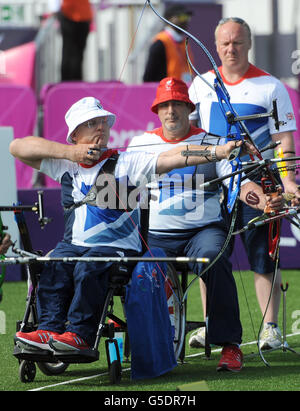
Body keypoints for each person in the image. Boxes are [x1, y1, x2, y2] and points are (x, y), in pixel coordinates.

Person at [10, 96, 241, 355]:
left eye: (103, 122)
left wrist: (218, 151)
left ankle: (79, 335)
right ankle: (49, 330)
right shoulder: (65, 164)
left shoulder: (128, 162)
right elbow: (17, 147)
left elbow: (175, 156)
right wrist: (70, 153)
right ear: (75, 134)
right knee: (54, 265)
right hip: (73, 245)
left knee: (90, 268)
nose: (100, 127)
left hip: (116, 249)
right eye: (91, 123)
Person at [127, 77, 284, 372]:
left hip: (203, 231)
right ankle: (144, 341)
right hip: (155, 236)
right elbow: (123, 187)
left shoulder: (214, 143)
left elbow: (240, 184)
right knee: (137, 267)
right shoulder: (140, 143)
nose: (171, 111)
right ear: (157, 111)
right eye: (164, 105)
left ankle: (229, 345)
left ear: (190, 108)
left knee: (212, 257)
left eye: (177, 104)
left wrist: (264, 201)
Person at [188, 17, 300, 351]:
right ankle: (211, 326)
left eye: (237, 42)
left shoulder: (270, 86)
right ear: (216, 46)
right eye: (224, 43)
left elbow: (283, 138)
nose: (230, 49)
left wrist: (289, 180)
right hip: (213, 183)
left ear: (248, 44)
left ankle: (270, 329)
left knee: (264, 257)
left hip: (260, 182)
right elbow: (190, 135)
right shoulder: (201, 85)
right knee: (210, 255)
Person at [143, 4, 193, 83]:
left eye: (187, 17)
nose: (185, 20)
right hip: (167, 92)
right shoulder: (160, 43)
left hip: (184, 90)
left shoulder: (184, 42)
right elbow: (149, 78)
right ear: (170, 19)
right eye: (182, 17)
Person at [48, 0, 93, 81]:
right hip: (68, 15)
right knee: (68, 53)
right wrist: (55, 10)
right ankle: (66, 83)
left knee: (78, 55)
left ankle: (76, 82)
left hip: (84, 17)